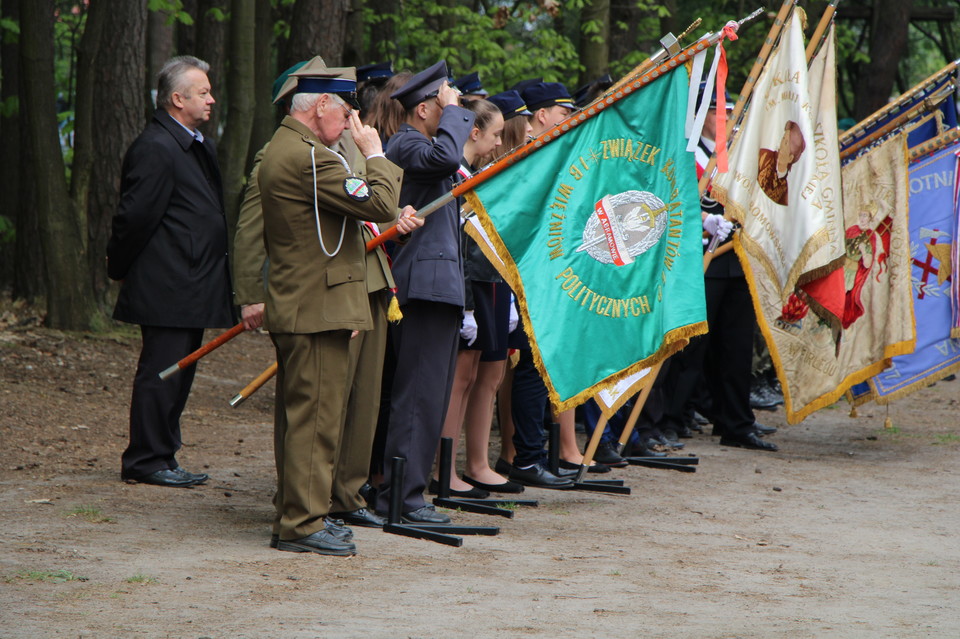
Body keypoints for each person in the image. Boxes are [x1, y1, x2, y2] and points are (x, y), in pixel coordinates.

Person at [260, 61, 410, 556]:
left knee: (308, 416)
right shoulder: (311, 158)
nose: (351, 122)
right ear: (320, 104)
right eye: (345, 111)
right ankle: (302, 523)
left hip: (310, 301)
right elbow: (380, 205)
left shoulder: (299, 151)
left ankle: (297, 515)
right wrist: (376, 154)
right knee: (316, 420)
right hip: (316, 305)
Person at [108, 56, 236, 488]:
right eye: (203, 92)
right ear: (177, 98)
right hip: (168, 280)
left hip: (191, 279)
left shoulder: (193, 141)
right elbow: (134, 218)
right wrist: (120, 268)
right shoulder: (157, 146)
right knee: (161, 372)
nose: (211, 99)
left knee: (178, 373)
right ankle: (145, 459)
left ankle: (163, 454)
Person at [375, 60, 476, 523]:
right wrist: (455, 113)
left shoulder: (424, 141)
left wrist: (451, 112)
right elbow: (447, 160)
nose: (454, 106)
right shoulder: (407, 142)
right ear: (423, 109)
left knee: (429, 393)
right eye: (445, 99)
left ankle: (409, 492)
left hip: (439, 286)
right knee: (418, 394)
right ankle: (403, 497)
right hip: (423, 286)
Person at [430, 98, 525, 496]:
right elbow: (461, 246)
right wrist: (468, 305)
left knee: (481, 374)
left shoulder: (474, 172)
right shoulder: (456, 175)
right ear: (473, 132)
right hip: (468, 286)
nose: (500, 141)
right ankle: (444, 469)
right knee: (460, 378)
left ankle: (475, 462)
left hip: (487, 283)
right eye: (496, 133)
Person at [757, 120, 806, 205]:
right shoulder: (764, 155)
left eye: (786, 143)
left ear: (790, 158)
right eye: (783, 139)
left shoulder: (785, 189)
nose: (781, 144)